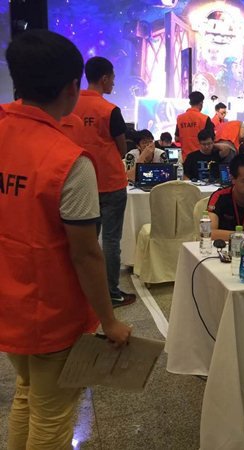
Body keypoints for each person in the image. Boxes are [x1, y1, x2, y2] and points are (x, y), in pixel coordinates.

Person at [1, 29, 131, 450]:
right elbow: (86, 254)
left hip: (8, 301)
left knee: (27, 394)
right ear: (72, 87)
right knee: (53, 420)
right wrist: (109, 321)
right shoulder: (68, 161)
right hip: (50, 312)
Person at [73, 56, 135, 308]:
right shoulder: (109, 110)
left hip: (80, 182)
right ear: (105, 78)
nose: (114, 83)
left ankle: (83, 291)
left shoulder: (70, 105)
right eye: (113, 78)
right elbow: (122, 149)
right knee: (110, 240)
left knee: (85, 242)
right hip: (110, 182)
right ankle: (111, 293)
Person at [175, 91, 214, 161]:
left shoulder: (180, 118)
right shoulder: (205, 118)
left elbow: (176, 138)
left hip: (186, 159)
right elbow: (212, 138)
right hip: (201, 158)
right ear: (201, 103)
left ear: (190, 103)